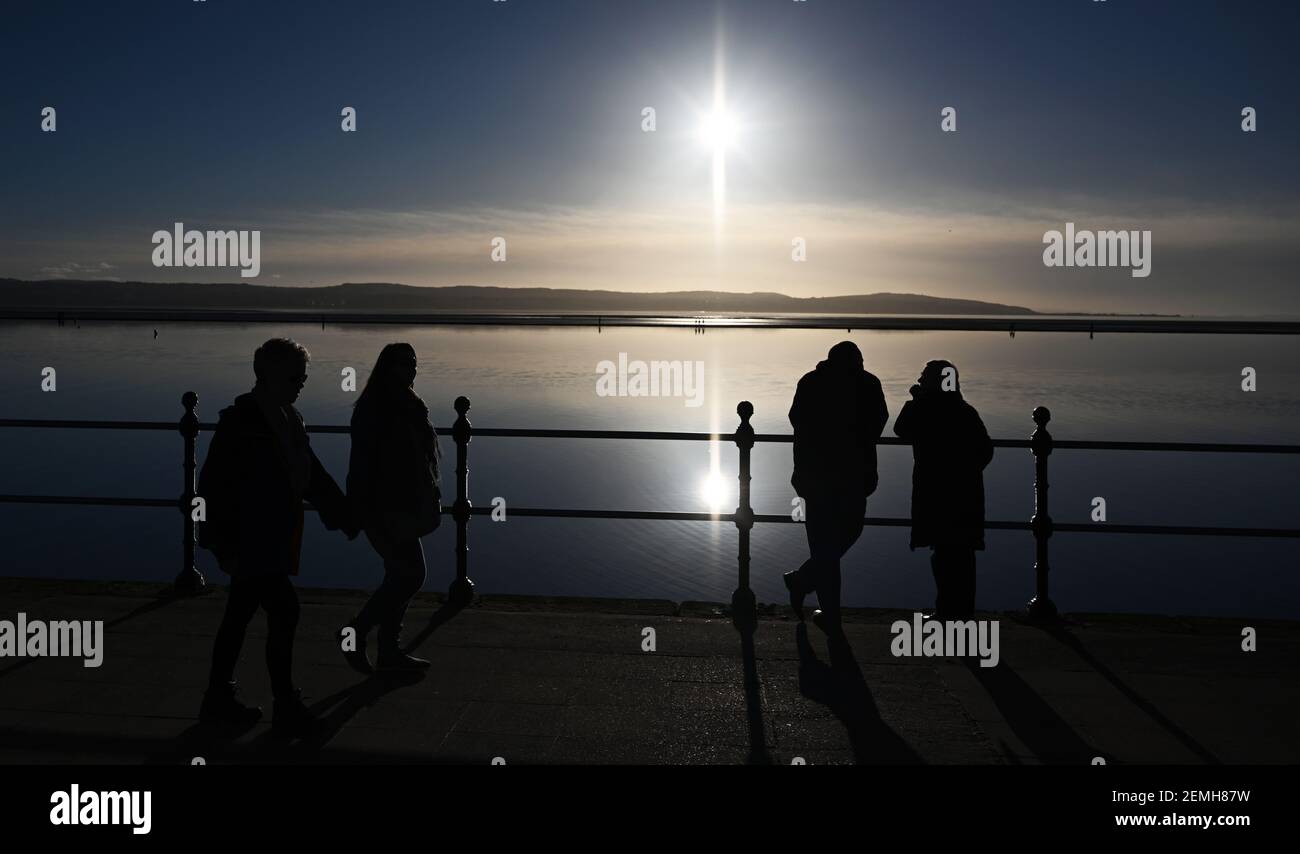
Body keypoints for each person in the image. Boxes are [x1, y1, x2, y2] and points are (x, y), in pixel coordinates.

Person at [196, 338, 358, 738]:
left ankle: (220, 699)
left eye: (303, 376)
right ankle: (284, 705)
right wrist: (219, 543)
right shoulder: (243, 422)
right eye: (294, 376)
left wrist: (343, 512)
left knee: (240, 615)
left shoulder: (288, 417)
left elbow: (310, 473)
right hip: (252, 538)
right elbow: (214, 484)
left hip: (269, 536)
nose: (302, 383)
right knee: (284, 610)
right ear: (267, 375)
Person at [338, 343, 442, 673]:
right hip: (385, 506)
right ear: (387, 367)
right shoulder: (377, 408)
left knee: (401, 574)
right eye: (404, 364)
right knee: (410, 575)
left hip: (402, 504)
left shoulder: (407, 403)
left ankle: (388, 650)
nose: (412, 369)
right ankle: (358, 632)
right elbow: (363, 463)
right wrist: (362, 509)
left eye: (414, 363)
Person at [785, 341, 888, 635]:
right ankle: (829, 614)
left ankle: (804, 582)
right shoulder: (866, 383)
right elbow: (878, 422)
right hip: (848, 476)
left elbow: (796, 420)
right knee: (839, 538)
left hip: (818, 477)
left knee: (827, 543)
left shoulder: (812, 382)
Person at [892, 360, 994, 620]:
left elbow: (900, 429)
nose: (919, 379)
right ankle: (960, 613)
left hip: (936, 494)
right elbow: (985, 451)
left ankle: (947, 612)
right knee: (961, 556)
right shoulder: (965, 411)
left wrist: (916, 399)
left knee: (943, 555)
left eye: (924, 376)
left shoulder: (926, 409)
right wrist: (965, 472)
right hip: (964, 495)